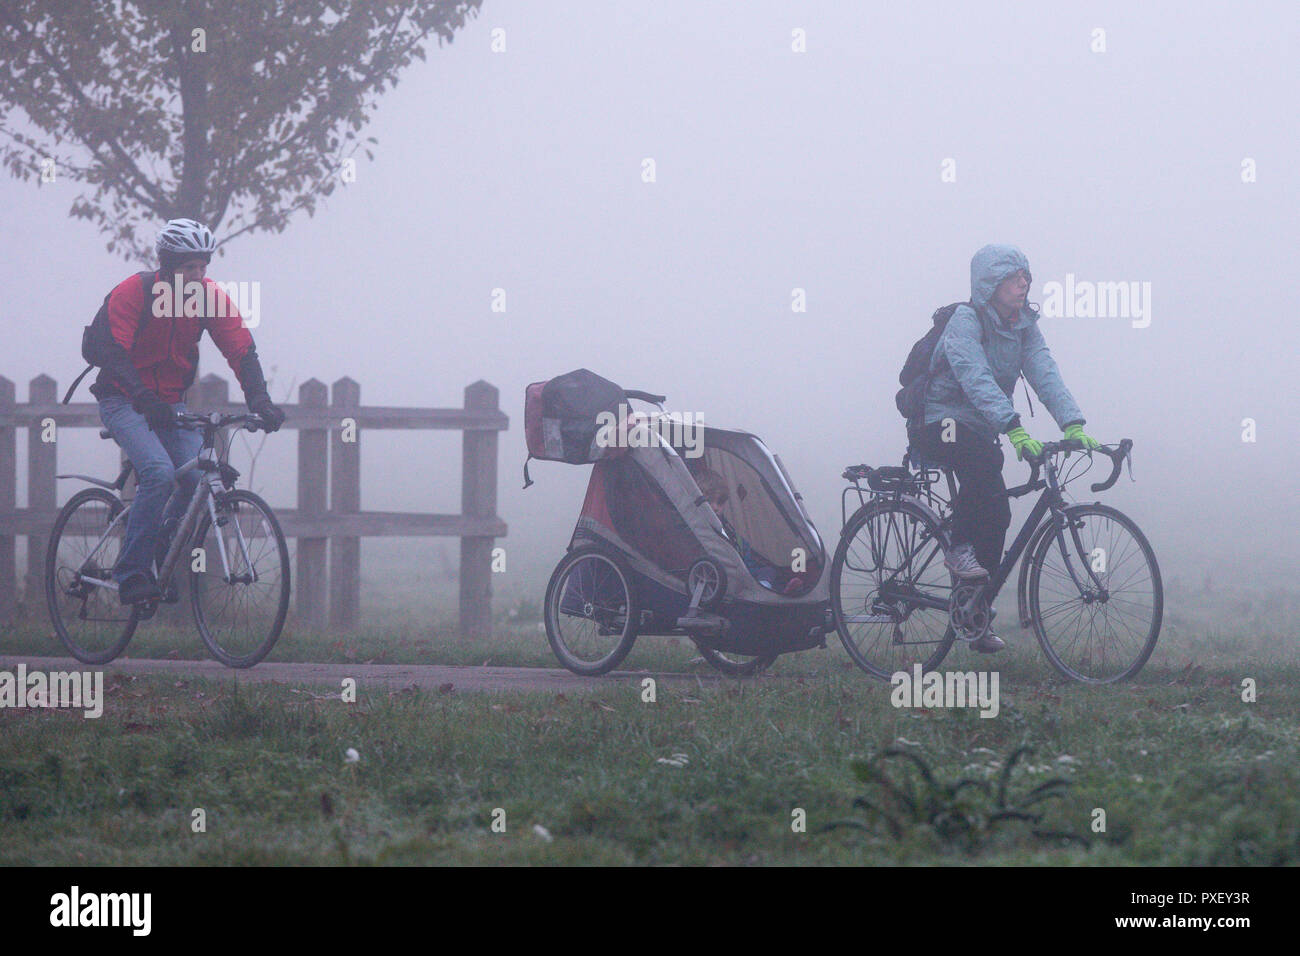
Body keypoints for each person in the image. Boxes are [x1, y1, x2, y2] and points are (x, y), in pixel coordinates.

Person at [91, 218, 286, 606]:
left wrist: (259, 401)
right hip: (122, 399)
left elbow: (241, 350)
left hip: (170, 404)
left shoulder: (208, 298)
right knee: (159, 473)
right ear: (167, 266)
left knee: (198, 475)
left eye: (203, 267)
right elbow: (113, 352)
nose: (197, 275)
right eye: (188, 268)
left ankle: (162, 547)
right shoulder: (136, 291)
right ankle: (131, 573)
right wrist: (144, 398)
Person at [915, 244, 1099, 653]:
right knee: (984, 459)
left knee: (998, 512)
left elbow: (1044, 372)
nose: (1024, 284)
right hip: (936, 421)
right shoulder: (965, 320)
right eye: (1015, 278)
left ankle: (973, 612)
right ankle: (959, 551)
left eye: (1026, 277)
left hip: (980, 426)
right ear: (991, 284)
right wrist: (1014, 428)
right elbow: (973, 376)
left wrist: (1073, 422)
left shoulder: (1023, 326)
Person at [694, 469, 802, 595]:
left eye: (720, 502)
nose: (716, 507)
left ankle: (776, 590)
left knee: (768, 571)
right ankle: (765, 591)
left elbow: (743, 551)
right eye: (710, 501)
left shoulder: (725, 526)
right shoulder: (698, 527)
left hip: (745, 567)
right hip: (726, 573)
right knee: (761, 576)